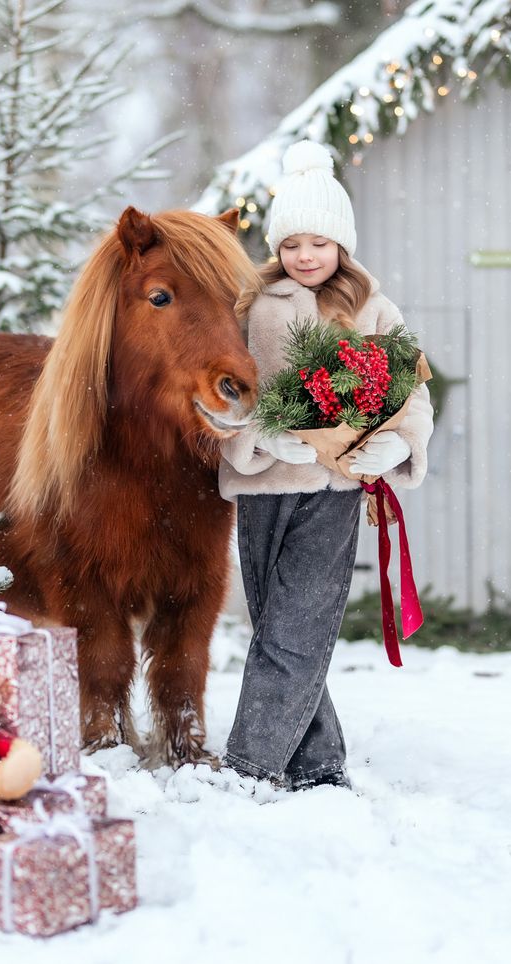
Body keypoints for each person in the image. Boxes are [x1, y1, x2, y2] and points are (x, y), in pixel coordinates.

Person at [219, 139, 434, 791]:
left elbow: (411, 388)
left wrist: (398, 443)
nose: (304, 255)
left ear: (339, 243)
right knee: (275, 625)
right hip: (263, 486)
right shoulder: (248, 306)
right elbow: (223, 396)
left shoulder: (372, 307)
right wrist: (256, 437)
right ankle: (316, 763)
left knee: (299, 620)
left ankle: (250, 763)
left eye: (317, 242)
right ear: (277, 247)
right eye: (291, 244)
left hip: (336, 487)